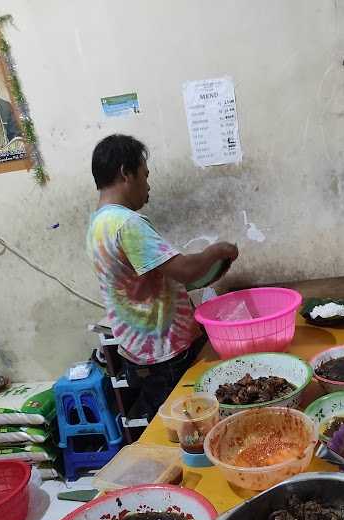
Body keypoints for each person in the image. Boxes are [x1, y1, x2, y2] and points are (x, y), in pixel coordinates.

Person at [86, 134, 238, 420]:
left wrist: (207, 273)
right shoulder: (127, 223)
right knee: (183, 423)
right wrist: (214, 252)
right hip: (165, 349)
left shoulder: (98, 223)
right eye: (145, 175)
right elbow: (183, 269)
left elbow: (149, 278)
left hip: (139, 348)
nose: (148, 184)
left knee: (161, 418)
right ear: (125, 173)